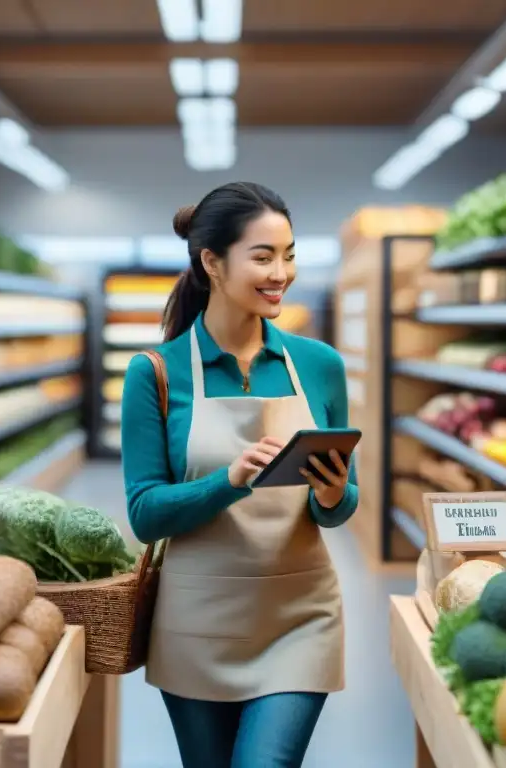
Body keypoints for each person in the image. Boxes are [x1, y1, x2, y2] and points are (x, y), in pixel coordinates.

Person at [120, 181, 359, 768]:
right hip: (196, 622)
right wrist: (226, 481)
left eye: (289, 254)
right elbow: (145, 513)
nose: (282, 272)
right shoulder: (156, 373)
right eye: (263, 256)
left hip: (300, 616)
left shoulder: (320, 366)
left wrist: (332, 493)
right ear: (212, 263)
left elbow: (340, 504)